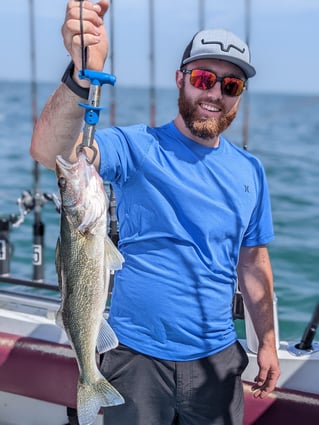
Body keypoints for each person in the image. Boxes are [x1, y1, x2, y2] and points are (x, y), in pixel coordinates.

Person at [30, 1, 281, 424]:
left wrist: (269, 341)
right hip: (134, 359)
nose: (215, 94)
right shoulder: (135, 147)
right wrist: (81, 75)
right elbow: (50, 152)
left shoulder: (250, 171)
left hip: (217, 362)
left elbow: (253, 262)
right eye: (204, 79)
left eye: (231, 86)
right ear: (180, 80)